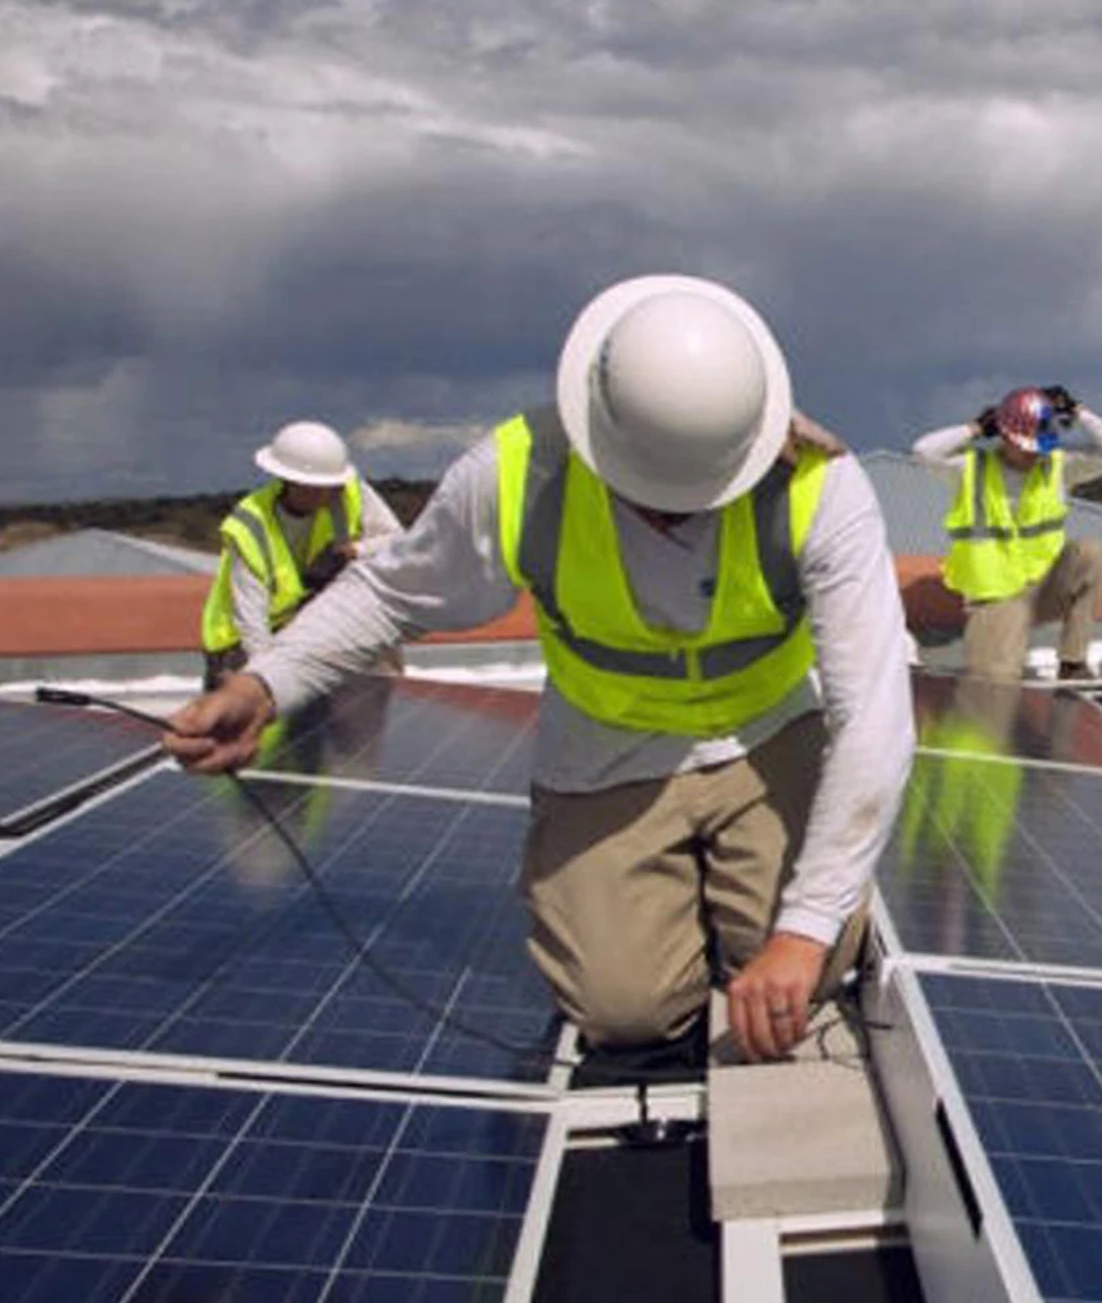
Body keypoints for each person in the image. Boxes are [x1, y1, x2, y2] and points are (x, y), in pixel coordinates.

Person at [164, 274, 916, 1068]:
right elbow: (391, 591)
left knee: (815, 966)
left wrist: (802, 931)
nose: (673, 513)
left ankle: (742, 901)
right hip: (605, 754)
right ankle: (669, 903)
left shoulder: (820, 486)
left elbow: (875, 713)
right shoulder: (519, 474)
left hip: (765, 737)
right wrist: (263, 685)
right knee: (623, 1010)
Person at [912, 385, 1102, 682]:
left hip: (1040, 590)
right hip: (993, 601)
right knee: (999, 686)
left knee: (1089, 552)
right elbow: (924, 451)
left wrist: (1078, 412)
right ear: (1003, 435)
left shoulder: (1056, 467)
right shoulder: (970, 468)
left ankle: (1072, 663)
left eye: (1037, 447)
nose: (1032, 455)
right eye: (1025, 445)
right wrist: (975, 428)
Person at [199, 421, 403, 689]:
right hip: (240, 642)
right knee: (247, 706)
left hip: (306, 625)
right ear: (290, 482)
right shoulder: (251, 527)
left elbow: (398, 540)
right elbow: (251, 623)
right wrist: (269, 683)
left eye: (332, 485)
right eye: (316, 487)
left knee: (376, 656)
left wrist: (355, 551)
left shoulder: (347, 490)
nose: (329, 493)